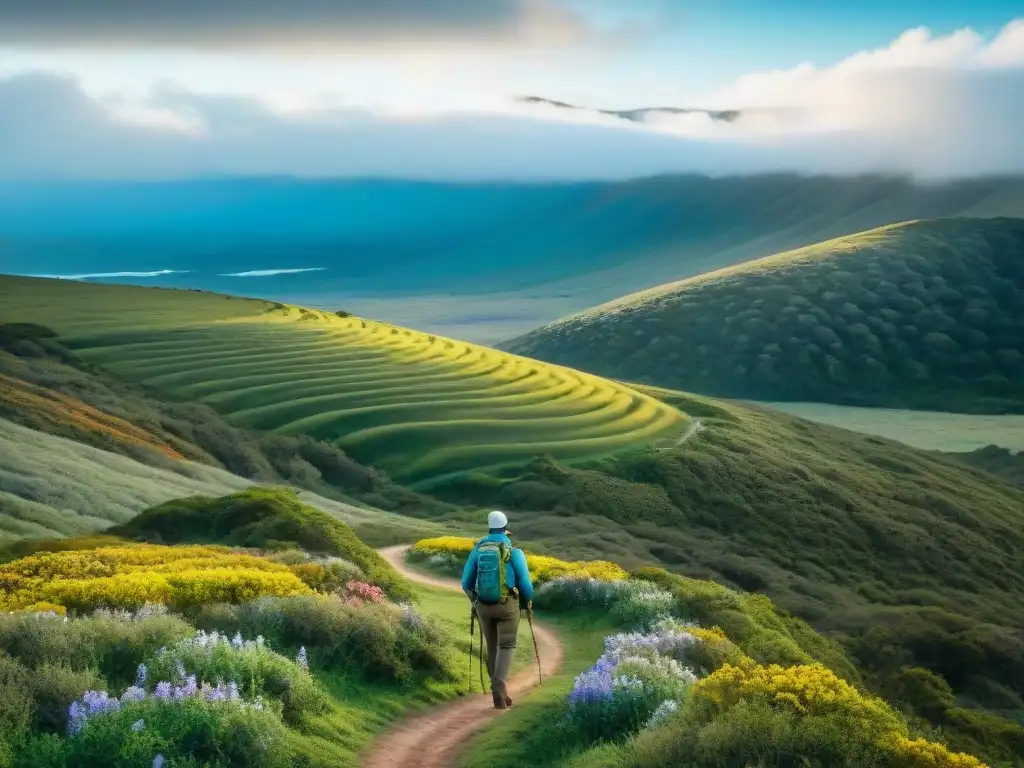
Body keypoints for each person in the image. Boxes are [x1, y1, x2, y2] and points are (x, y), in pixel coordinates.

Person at [461, 510, 534, 710]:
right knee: (507, 645)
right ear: (505, 530)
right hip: (507, 605)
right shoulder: (515, 553)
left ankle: (500, 695)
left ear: (489, 527)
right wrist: (527, 603)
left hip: (483, 605)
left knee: (492, 647)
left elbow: (465, 583)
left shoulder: (478, 550)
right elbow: (526, 586)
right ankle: (497, 687)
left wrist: (475, 601)